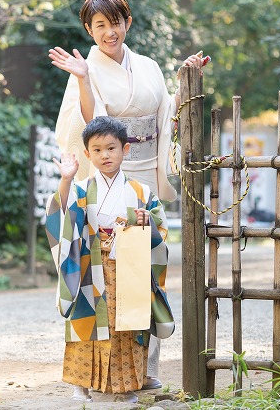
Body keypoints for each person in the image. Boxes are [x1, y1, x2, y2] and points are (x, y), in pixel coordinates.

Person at [49, 0, 207, 388]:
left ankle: (144, 368)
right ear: (89, 29)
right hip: (107, 177)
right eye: (99, 25)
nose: (109, 32)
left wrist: (186, 78)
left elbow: (168, 113)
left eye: (115, 22)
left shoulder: (149, 66)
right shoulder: (86, 69)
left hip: (145, 179)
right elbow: (90, 127)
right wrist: (84, 79)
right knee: (103, 278)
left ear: (127, 23)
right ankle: (97, 371)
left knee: (147, 272)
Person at [45, 116, 175, 404]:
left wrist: (145, 222)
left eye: (112, 148)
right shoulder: (81, 187)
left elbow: (159, 229)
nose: (105, 155)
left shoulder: (141, 191)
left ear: (125, 150)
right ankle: (81, 385)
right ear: (87, 154)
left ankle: (127, 386)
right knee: (87, 321)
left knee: (127, 324)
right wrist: (66, 179)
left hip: (128, 267)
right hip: (89, 266)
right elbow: (59, 215)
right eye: (98, 149)